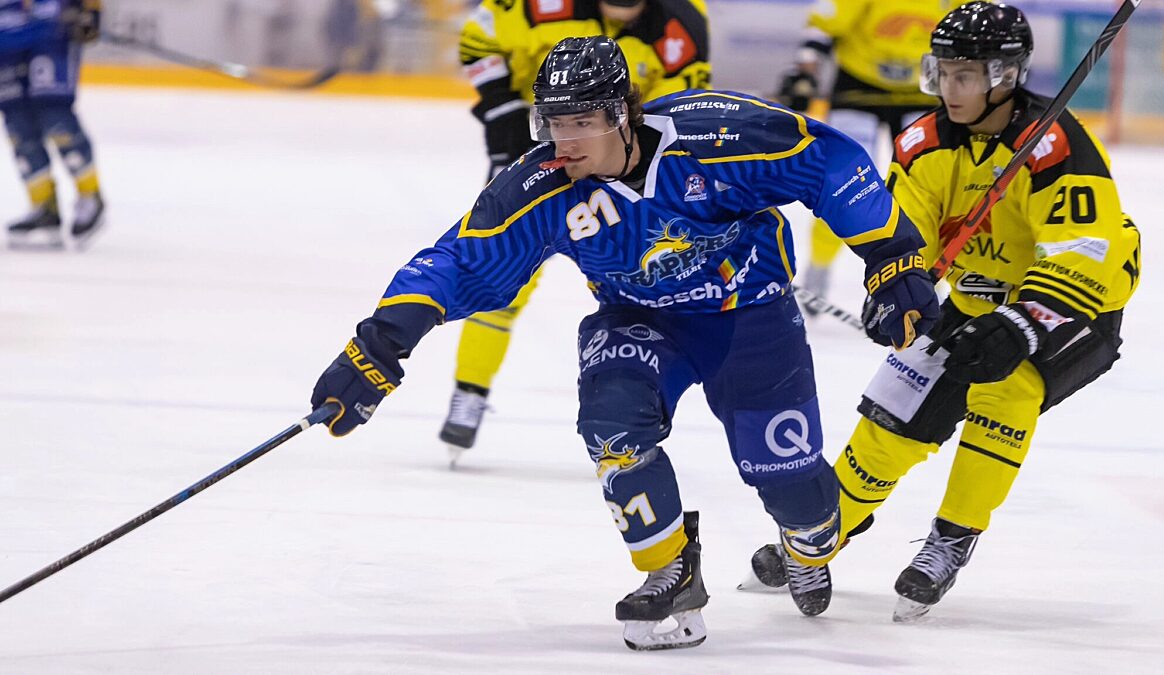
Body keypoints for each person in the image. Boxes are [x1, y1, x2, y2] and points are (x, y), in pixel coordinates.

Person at [309, 36, 939, 650]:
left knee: (794, 488)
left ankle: (807, 545)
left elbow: (828, 161)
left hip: (750, 317)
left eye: (582, 121)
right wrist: (379, 345)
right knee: (611, 423)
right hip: (638, 322)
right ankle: (670, 568)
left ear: (622, 115)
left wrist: (892, 258)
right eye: (553, 123)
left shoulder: (715, 136)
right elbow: (460, 262)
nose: (566, 140)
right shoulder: (544, 184)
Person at [744, 2, 1142, 622]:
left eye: (963, 75)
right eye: (941, 73)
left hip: (1073, 302)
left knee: (1003, 386)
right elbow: (909, 239)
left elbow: (1086, 248)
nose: (946, 89)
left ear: (1005, 75)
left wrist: (1023, 324)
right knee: (896, 404)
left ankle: (951, 539)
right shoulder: (922, 142)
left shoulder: (1056, 144)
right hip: (978, 297)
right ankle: (822, 532)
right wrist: (896, 290)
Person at [444, 0, 710, 460]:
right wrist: (503, 114)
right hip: (543, 157)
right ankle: (469, 390)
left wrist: (661, 183)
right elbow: (477, 40)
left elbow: (680, 112)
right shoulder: (539, 5)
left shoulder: (681, 23)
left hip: (624, 171)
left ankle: (637, 409)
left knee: (637, 284)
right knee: (502, 272)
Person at [775, 0, 945, 316]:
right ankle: (820, 267)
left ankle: (926, 274)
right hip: (859, 85)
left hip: (923, 89)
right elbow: (823, 27)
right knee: (842, 184)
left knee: (927, 189)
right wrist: (806, 69)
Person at [1, 0, 105, 250]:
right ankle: (44, 206)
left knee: (55, 115)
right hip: (6, 34)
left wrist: (91, 13)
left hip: (50, 34)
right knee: (18, 126)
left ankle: (90, 195)